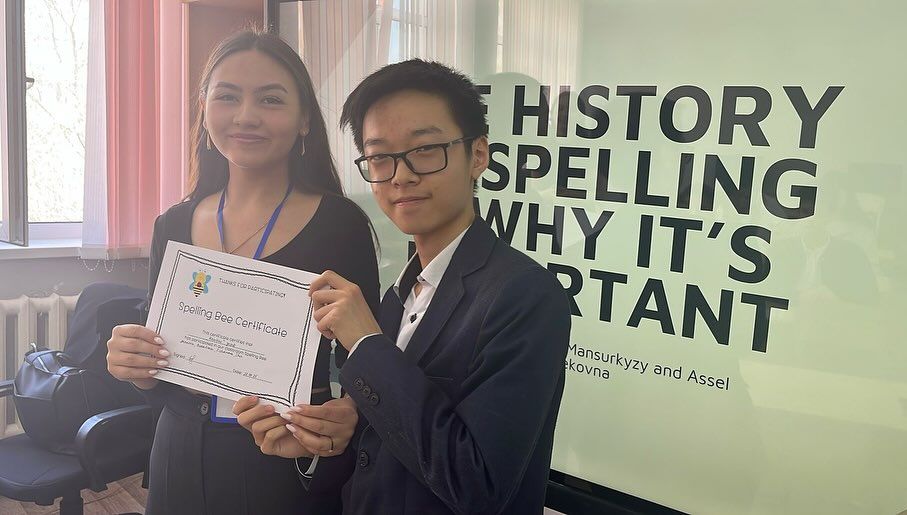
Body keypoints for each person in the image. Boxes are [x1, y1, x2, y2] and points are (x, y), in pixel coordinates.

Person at [236, 59, 571, 514]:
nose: (401, 175)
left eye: (426, 149)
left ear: (478, 155)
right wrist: (321, 444)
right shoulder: (398, 294)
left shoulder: (525, 296)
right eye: (379, 157)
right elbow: (385, 447)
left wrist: (366, 344)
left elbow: (479, 485)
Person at [105, 29, 379, 515]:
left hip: (285, 452)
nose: (246, 116)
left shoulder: (341, 224)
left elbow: (370, 355)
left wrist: (351, 411)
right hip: (179, 452)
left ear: (304, 120)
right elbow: (160, 355)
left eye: (270, 99)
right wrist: (137, 366)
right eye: (228, 96)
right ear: (205, 109)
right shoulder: (173, 224)